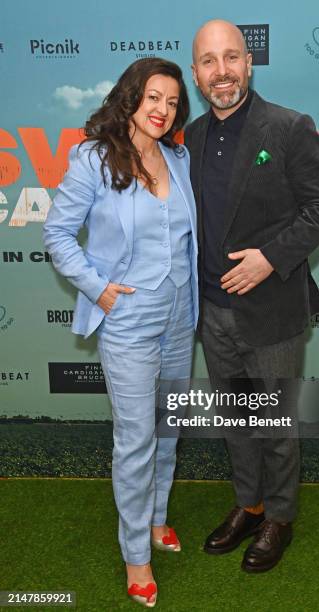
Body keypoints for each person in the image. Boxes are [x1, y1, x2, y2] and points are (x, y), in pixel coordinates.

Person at [184, 20, 319, 573]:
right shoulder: (192, 138)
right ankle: (248, 504)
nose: (221, 72)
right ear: (197, 73)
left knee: (274, 425)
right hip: (210, 311)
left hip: (272, 308)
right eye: (209, 61)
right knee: (237, 420)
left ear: (249, 63)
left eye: (231, 58)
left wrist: (269, 257)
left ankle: (280, 516)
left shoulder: (289, 127)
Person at [43, 58, 198, 606]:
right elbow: (58, 233)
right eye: (153, 97)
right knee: (135, 440)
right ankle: (137, 554)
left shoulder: (179, 158)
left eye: (173, 102)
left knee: (167, 426)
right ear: (131, 97)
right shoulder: (92, 157)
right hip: (128, 319)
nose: (162, 110)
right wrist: (97, 286)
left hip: (180, 314)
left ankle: (157, 519)